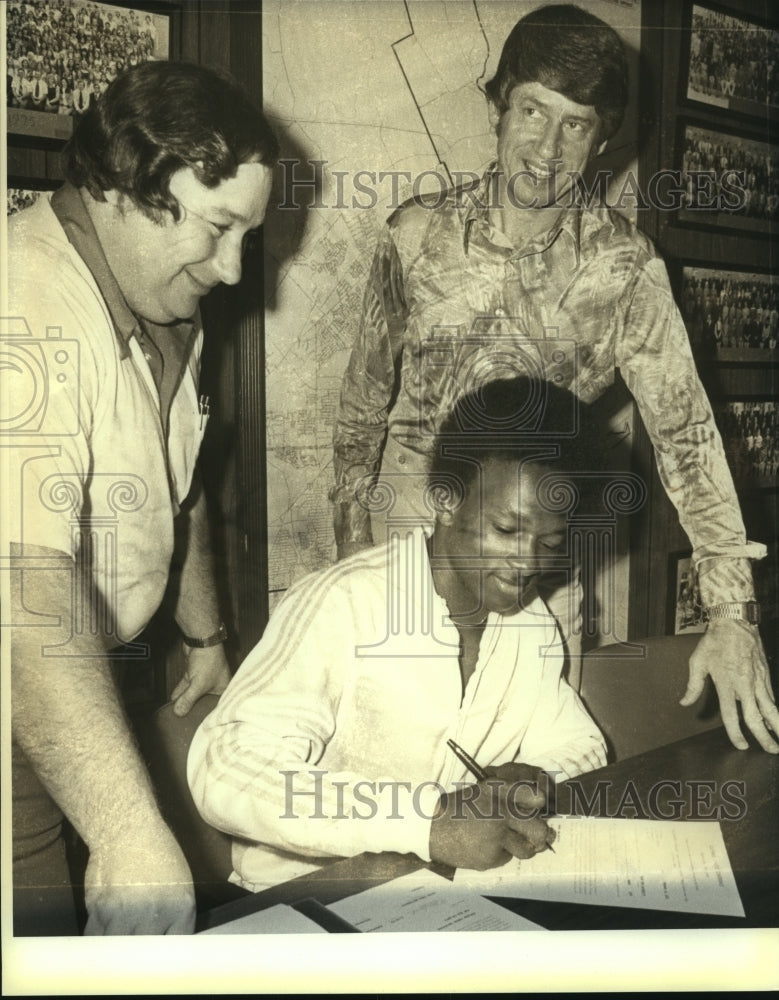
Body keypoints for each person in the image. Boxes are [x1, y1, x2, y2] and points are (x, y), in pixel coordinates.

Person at [330, 3, 779, 754]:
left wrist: (731, 611)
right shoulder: (413, 237)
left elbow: (688, 437)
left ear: (601, 140)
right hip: (406, 558)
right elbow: (363, 402)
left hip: (537, 576)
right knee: (395, 775)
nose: (545, 147)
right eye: (531, 111)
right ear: (498, 107)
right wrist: (347, 544)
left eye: (575, 124)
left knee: (543, 774)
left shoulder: (626, 270)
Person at [6, 60, 278, 935]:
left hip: (86, 676)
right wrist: (126, 832)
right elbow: (22, 581)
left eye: (249, 235)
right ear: (125, 188)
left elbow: (179, 486)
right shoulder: (31, 303)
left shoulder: (162, 299)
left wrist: (203, 635)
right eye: (218, 228)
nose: (234, 269)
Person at [188, 377, 607, 892]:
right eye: (507, 530)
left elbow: (584, 745)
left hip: (437, 895)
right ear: (445, 500)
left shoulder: (531, 623)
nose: (528, 562)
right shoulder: (343, 603)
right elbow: (226, 765)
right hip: (303, 901)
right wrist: (427, 821)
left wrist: (534, 776)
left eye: (549, 541)